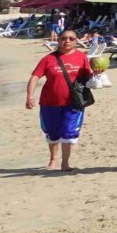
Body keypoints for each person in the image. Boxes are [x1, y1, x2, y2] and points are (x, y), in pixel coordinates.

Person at [26, 30, 92, 172]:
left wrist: (98, 75)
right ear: (58, 40)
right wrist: (30, 96)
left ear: (76, 41)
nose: (67, 41)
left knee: (69, 132)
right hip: (49, 103)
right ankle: (53, 159)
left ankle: (65, 163)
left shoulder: (82, 57)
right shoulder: (48, 59)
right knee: (52, 132)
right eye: (64, 38)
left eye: (71, 38)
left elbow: (89, 77)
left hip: (74, 102)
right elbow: (35, 77)